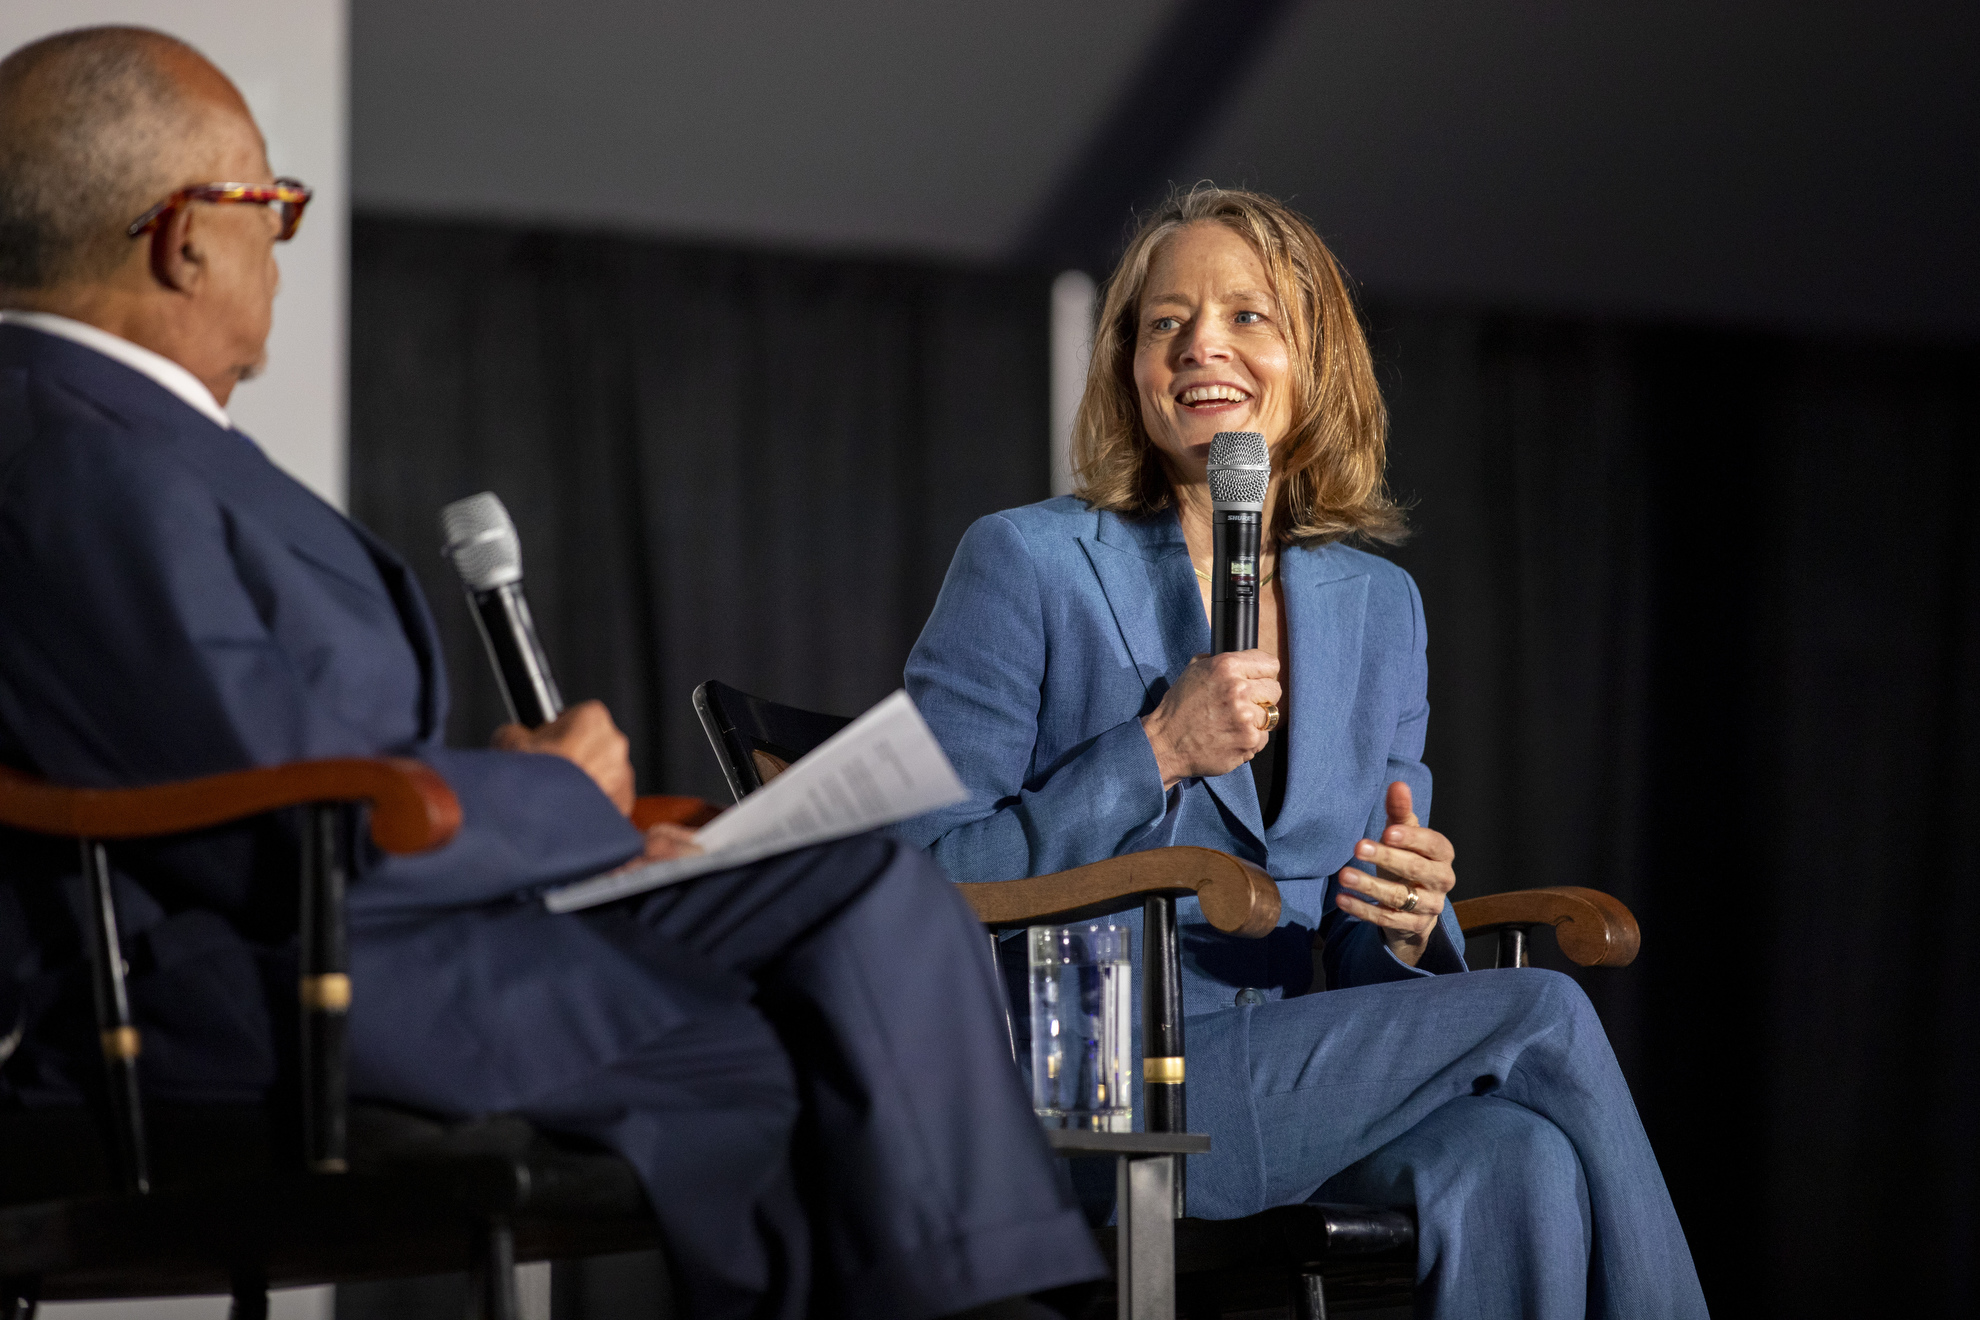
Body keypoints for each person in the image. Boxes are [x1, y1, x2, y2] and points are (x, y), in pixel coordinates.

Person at [0, 27, 1102, 1320]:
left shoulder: (131, 442)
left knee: (866, 882)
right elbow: (279, 812)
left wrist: (520, 803)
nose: (278, 246)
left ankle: (1006, 1297)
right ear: (187, 234)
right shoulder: (78, 461)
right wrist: (558, 807)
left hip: (416, 907)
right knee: (776, 1055)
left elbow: (294, 765)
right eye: (272, 206)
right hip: (273, 976)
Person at [899, 186, 1709, 1318]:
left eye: (1247, 316)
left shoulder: (1379, 606)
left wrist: (1411, 915)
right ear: (1130, 363)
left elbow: (1362, 953)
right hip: (1090, 1084)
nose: (1202, 348)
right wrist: (1155, 751)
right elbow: (917, 878)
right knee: (1544, 1013)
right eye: (1164, 322)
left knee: (1517, 1165)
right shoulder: (1026, 565)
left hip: (1287, 1080)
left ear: (1313, 360)